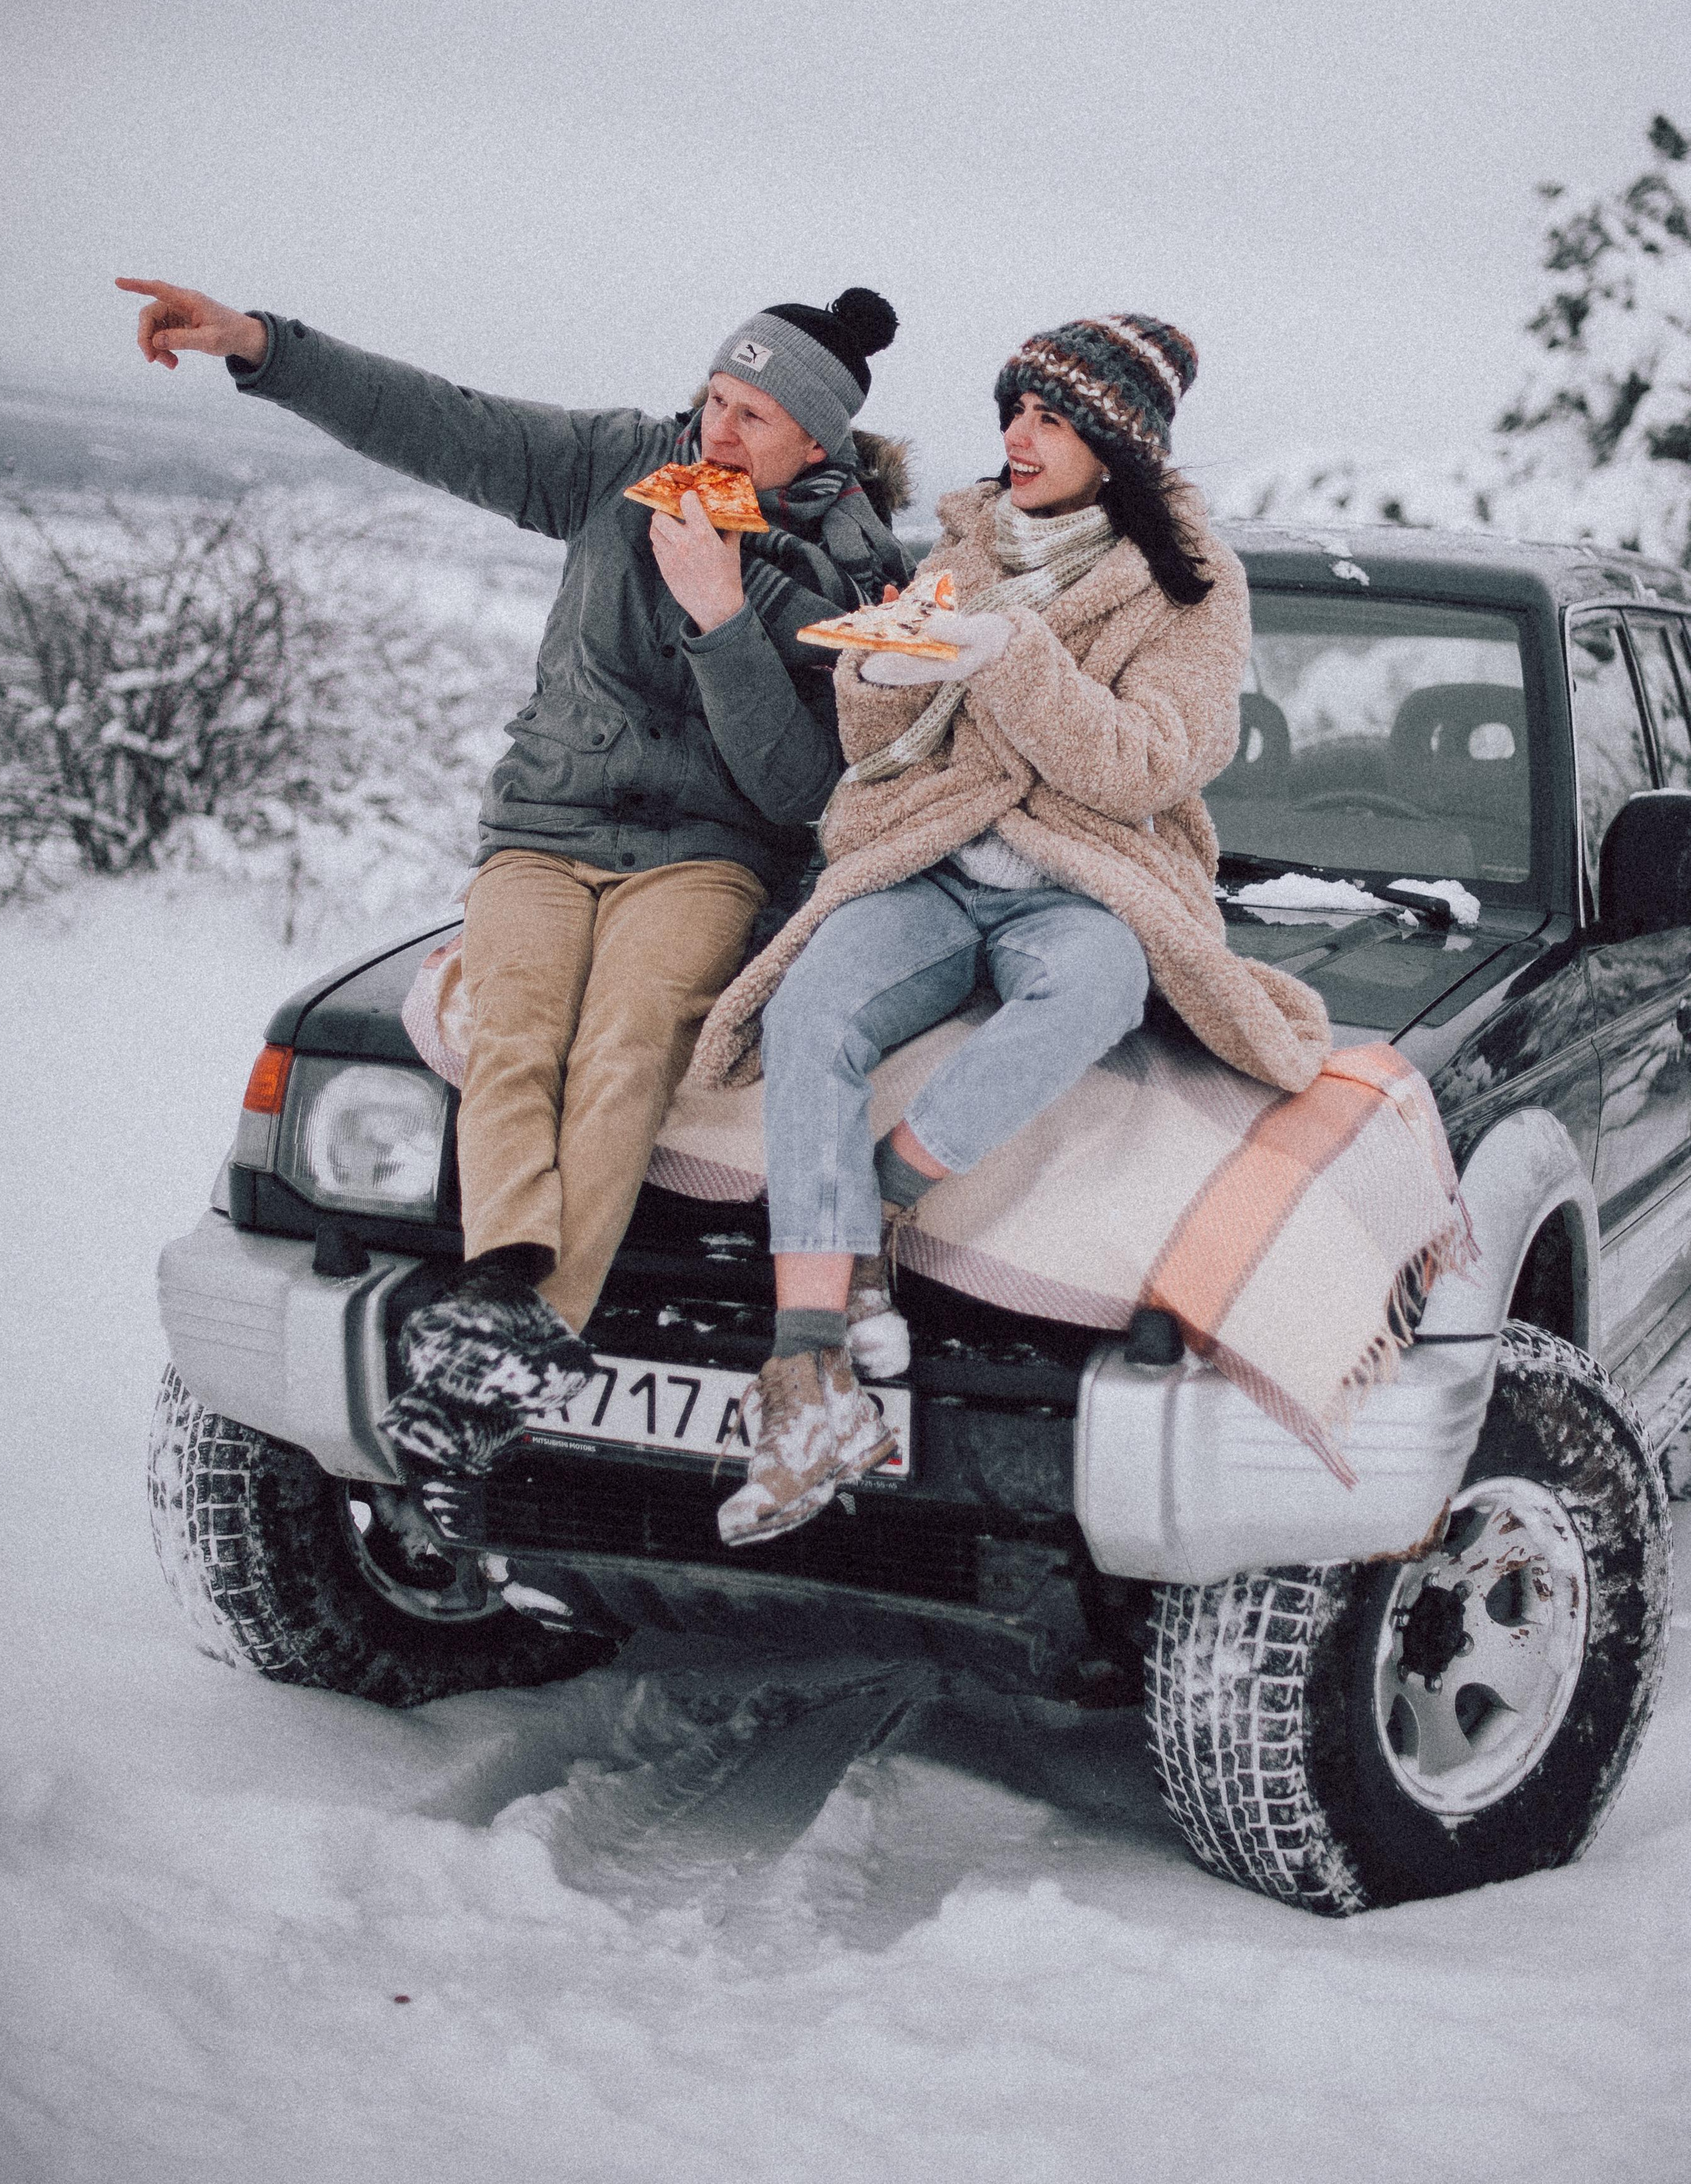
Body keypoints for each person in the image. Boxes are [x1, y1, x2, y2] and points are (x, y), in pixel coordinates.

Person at [118, 272, 912, 1500]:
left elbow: (799, 788)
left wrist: (724, 620)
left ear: (817, 438)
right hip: (547, 828)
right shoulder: (622, 470)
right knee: (511, 1030)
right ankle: (507, 1298)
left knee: (630, 1038)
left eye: (752, 417)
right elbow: (446, 421)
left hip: (706, 854)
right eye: (712, 398)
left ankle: (509, 1339)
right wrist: (265, 346)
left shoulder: (856, 579)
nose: (715, 431)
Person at [689, 311, 1331, 1547]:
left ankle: (880, 1197)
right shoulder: (967, 540)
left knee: (1094, 991)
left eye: (1048, 418)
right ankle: (809, 1374)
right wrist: (881, 672)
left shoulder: (1192, 583)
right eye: (1013, 412)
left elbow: (1148, 765)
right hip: (930, 853)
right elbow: (873, 749)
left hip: (1083, 872)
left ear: (1115, 443)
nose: (1016, 438)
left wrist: (1010, 657)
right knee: (814, 1001)